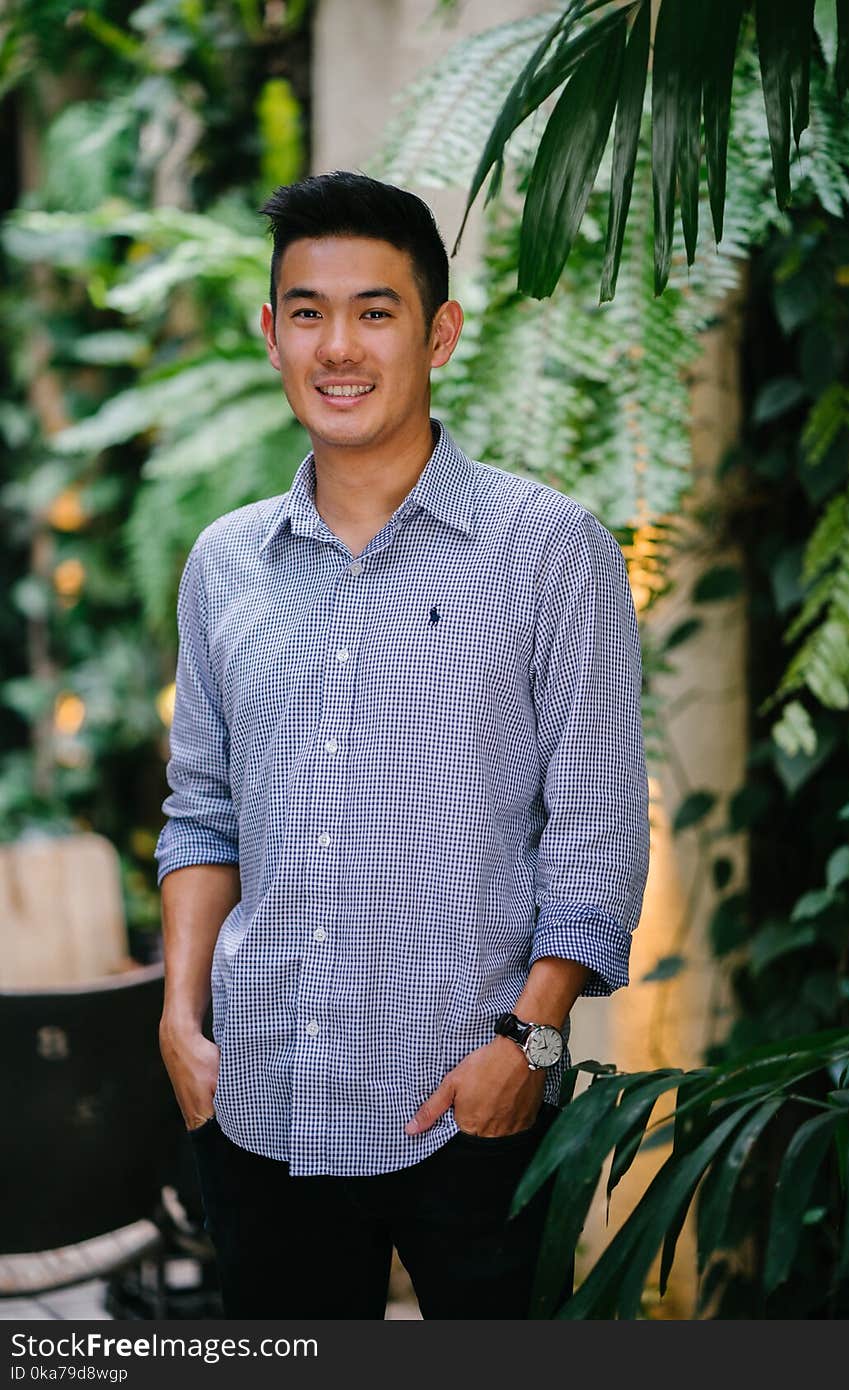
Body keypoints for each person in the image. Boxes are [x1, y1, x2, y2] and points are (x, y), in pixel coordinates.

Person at [156, 171, 650, 1320]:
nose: (339, 346)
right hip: (262, 1099)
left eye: (374, 312)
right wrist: (182, 1025)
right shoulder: (222, 564)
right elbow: (203, 812)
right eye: (308, 311)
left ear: (438, 333)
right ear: (270, 332)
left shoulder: (548, 548)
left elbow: (597, 822)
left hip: (477, 1107)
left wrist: (527, 1045)